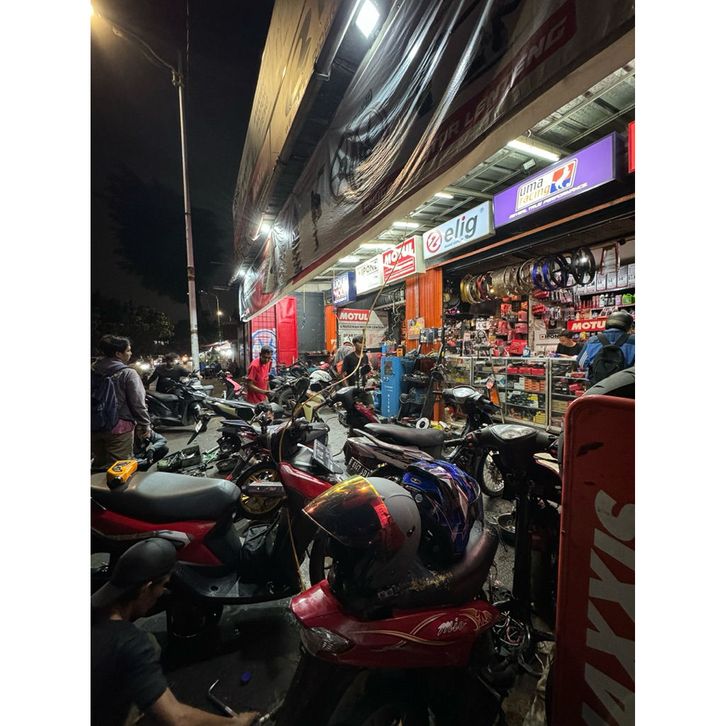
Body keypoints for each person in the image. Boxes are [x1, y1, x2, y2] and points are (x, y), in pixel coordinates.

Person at [92, 539, 258, 726]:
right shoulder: (130, 643)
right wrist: (236, 724)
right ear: (146, 588)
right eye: (162, 586)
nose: (162, 593)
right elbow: (177, 719)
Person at [92, 335, 152, 468]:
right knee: (119, 468)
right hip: (119, 428)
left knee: (98, 465)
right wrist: (145, 424)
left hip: (94, 426)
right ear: (118, 354)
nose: (130, 353)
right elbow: (138, 404)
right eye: (128, 350)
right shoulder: (128, 373)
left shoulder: (93, 370)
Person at [578, 310, 635, 383]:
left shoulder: (592, 340)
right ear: (628, 326)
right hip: (624, 385)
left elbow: (581, 363)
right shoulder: (634, 341)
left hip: (598, 385)